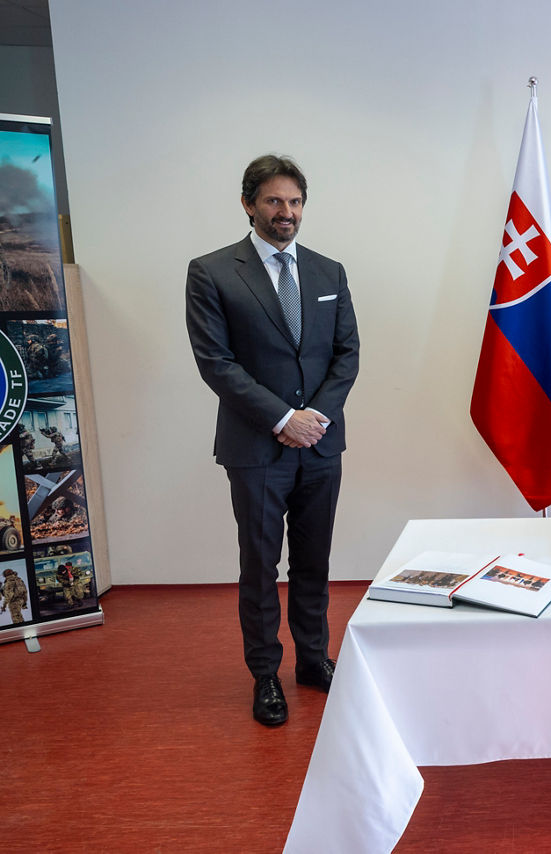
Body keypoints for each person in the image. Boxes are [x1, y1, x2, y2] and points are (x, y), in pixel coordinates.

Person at [186, 154, 360, 727]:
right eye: (274, 201)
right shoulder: (211, 271)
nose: (286, 212)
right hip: (256, 449)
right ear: (248, 205)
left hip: (321, 446)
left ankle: (313, 660)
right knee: (260, 566)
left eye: (295, 202)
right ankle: (265, 675)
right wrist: (283, 417)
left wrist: (314, 419)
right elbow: (217, 363)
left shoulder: (328, 271)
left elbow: (346, 355)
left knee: (314, 562)